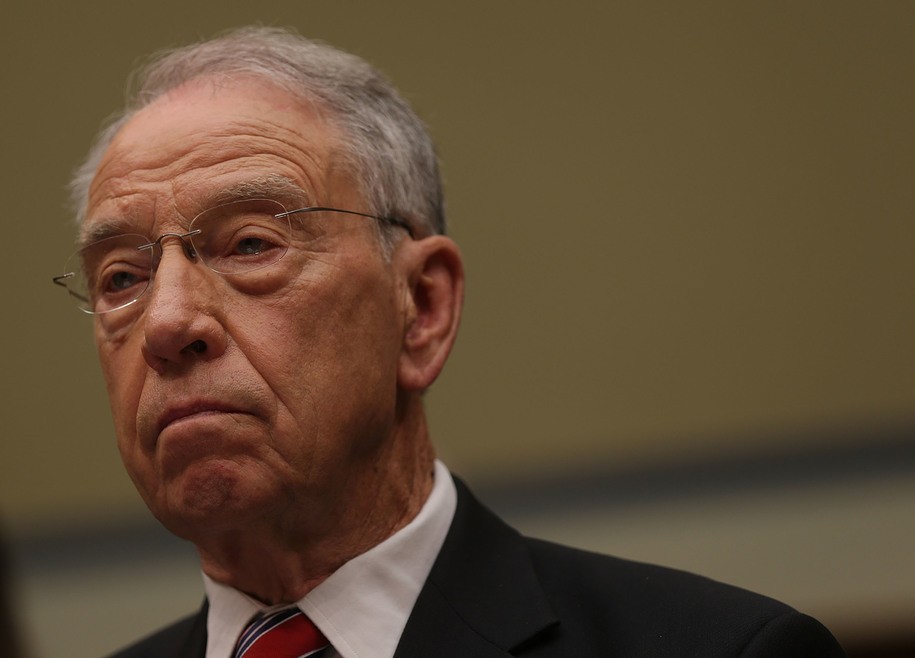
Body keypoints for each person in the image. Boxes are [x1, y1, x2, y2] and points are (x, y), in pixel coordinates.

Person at [55, 26, 846, 658]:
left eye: (251, 245)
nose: (165, 324)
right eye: (122, 277)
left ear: (421, 306)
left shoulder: (721, 648)